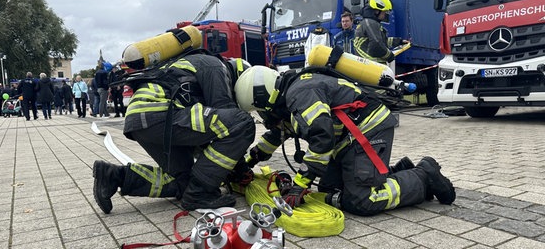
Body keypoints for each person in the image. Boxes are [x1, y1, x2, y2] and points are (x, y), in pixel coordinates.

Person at [234, 66, 455, 216]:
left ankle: (423, 176)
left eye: (258, 109)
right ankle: (397, 172)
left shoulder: (300, 94)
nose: (262, 116)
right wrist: (249, 161)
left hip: (367, 129)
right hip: (348, 139)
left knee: (362, 201)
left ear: (264, 97)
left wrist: (300, 184)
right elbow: (276, 135)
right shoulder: (289, 95)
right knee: (330, 189)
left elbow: (322, 137)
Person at [92, 54, 255, 214]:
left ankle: (113, 176)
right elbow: (227, 115)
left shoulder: (192, 64)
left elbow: (206, 135)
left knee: (185, 182)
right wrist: (240, 168)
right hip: (159, 112)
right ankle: (199, 193)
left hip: (139, 118)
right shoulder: (216, 66)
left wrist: (221, 171)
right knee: (242, 122)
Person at [353, 0, 407, 64]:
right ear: (376, 11)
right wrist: (389, 55)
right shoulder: (371, 23)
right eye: (384, 11)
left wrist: (399, 41)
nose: (385, 15)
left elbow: (382, 41)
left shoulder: (368, 23)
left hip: (368, 66)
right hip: (371, 67)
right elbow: (376, 45)